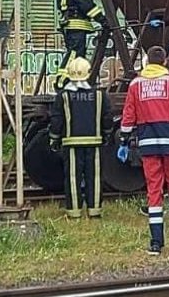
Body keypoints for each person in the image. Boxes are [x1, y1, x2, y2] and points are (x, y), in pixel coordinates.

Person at [118, 46, 169, 255]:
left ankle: (156, 243)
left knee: (154, 191)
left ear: (147, 62)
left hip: (148, 145)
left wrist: (124, 141)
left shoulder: (135, 85)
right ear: (165, 61)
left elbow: (128, 115)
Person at [49, 57, 111, 218]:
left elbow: (57, 119)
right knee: (95, 177)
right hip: (94, 142)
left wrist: (53, 138)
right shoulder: (99, 95)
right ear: (88, 73)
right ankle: (94, 211)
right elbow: (107, 118)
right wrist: (107, 134)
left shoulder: (63, 96)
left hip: (71, 143)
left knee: (72, 177)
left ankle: (74, 212)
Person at [54, 0, 106, 90]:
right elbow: (87, 5)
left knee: (77, 55)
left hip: (69, 25)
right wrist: (102, 20)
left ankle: (75, 82)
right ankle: (62, 81)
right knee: (74, 53)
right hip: (77, 25)